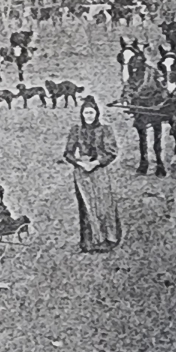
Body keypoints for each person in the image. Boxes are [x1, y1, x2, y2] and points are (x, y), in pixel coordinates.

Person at [64, 96, 121, 253]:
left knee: (104, 205)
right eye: (86, 113)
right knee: (87, 207)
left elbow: (111, 152)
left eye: (91, 113)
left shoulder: (105, 130)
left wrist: (95, 163)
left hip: (100, 170)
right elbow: (68, 153)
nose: (89, 116)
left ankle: (108, 239)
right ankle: (90, 242)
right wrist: (81, 163)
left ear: (97, 114)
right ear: (82, 114)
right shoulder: (76, 130)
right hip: (82, 173)